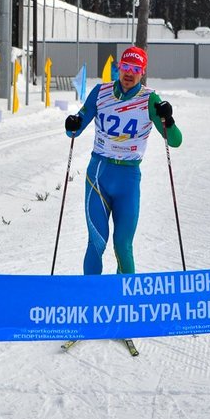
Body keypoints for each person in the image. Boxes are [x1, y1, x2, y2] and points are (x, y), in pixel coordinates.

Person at [64, 46, 183, 275]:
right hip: (98, 175)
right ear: (119, 68)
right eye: (126, 67)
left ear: (142, 72)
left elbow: (175, 141)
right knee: (96, 243)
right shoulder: (101, 92)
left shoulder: (149, 99)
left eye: (135, 69)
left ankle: (127, 301)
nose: (129, 73)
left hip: (128, 179)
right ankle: (91, 298)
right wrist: (72, 124)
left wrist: (168, 118)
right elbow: (74, 129)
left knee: (123, 245)